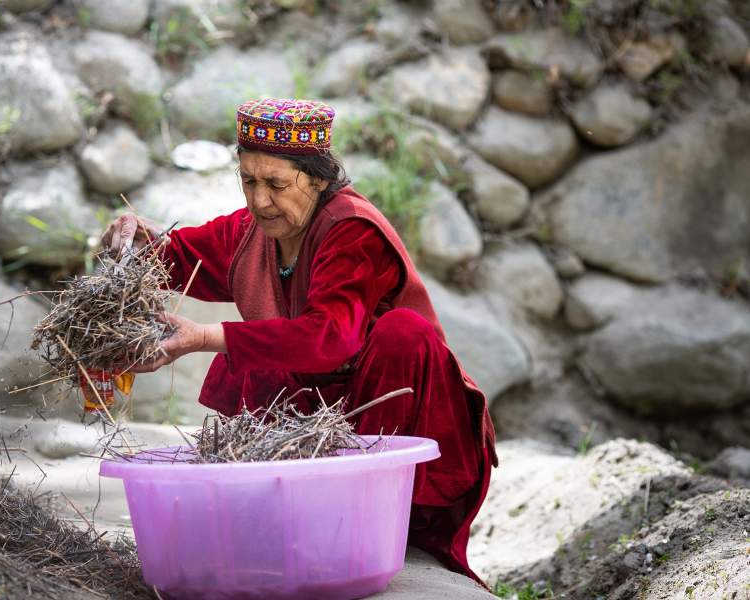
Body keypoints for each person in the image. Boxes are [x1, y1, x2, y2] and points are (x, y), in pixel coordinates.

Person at [101, 98, 498, 587]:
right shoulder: (252, 231)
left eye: (276, 184)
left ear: (316, 178)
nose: (259, 200)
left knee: (400, 335)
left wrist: (204, 337)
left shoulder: (352, 230)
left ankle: (372, 517)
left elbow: (330, 337)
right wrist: (138, 243)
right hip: (315, 418)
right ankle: (293, 515)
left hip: (387, 407)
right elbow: (181, 256)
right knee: (261, 345)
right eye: (248, 181)